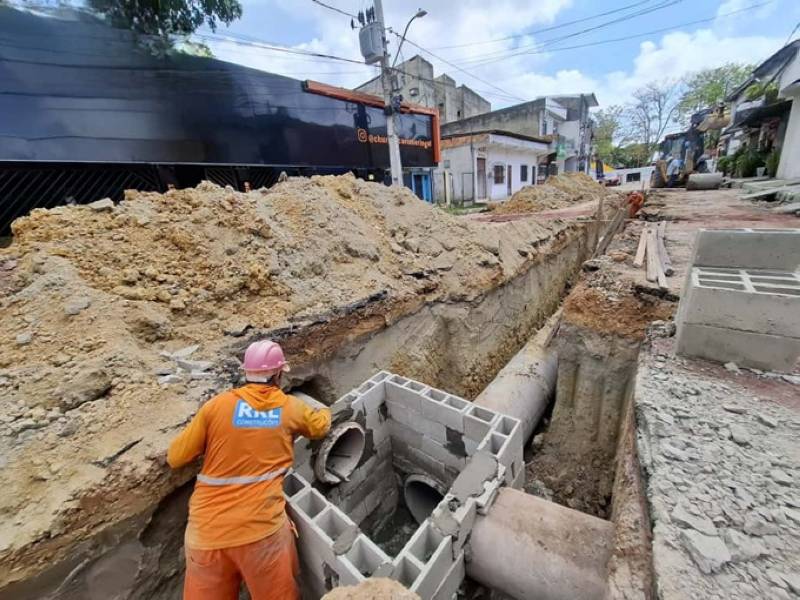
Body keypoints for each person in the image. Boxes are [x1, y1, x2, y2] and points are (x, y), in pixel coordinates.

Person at [167, 340, 331, 600]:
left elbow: (175, 458)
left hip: (207, 534)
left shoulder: (216, 406)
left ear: (246, 373)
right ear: (279, 373)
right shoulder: (290, 407)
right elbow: (320, 427)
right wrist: (323, 408)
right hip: (261, 531)